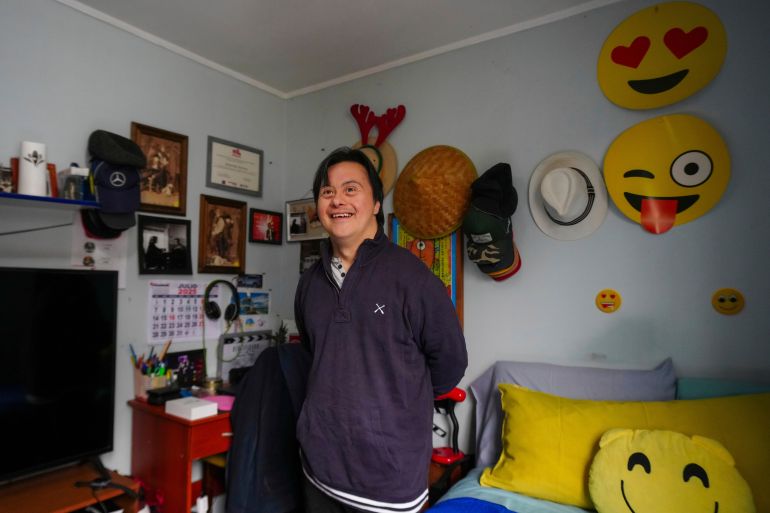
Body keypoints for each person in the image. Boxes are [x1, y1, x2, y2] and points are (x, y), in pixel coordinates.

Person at [294, 147, 468, 513]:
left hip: (388, 480)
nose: (337, 199)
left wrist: (396, 403)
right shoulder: (310, 282)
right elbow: (316, 354)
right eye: (327, 192)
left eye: (350, 189)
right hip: (318, 468)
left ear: (375, 204)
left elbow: (449, 363)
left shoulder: (413, 279)